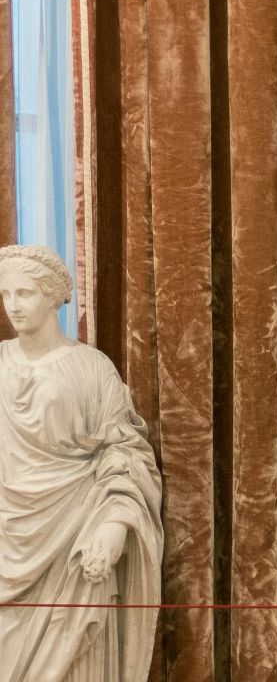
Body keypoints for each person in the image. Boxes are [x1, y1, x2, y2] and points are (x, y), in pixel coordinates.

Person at [0, 245, 163, 682]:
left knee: (75, 659)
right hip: (6, 541)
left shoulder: (91, 369)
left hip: (74, 536)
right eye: (6, 294)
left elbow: (124, 453)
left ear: (53, 297)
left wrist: (113, 526)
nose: (13, 305)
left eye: (26, 293)